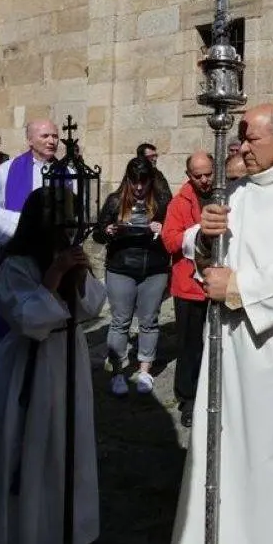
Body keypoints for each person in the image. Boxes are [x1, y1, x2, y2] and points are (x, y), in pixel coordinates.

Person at [170, 104, 273, 544]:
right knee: (228, 452)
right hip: (230, 346)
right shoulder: (240, 192)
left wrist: (238, 287)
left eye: (251, 139)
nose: (242, 147)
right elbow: (208, 253)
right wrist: (205, 237)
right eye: (241, 139)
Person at [0, 188, 107, 544]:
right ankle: (24, 532)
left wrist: (79, 273)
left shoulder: (66, 254)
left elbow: (91, 306)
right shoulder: (16, 264)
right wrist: (55, 273)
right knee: (30, 441)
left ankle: (65, 527)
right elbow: (27, 317)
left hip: (67, 356)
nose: (67, 229)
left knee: (66, 441)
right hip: (32, 362)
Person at [92, 158, 171, 396]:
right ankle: (118, 372)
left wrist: (163, 229)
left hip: (154, 268)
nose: (138, 187)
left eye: (143, 182)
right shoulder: (115, 201)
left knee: (149, 320)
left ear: (150, 180)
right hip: (121, 267)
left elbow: (175, 231)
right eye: (134, 181)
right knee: (120, 321)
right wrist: (108, 230)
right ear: (127, 179)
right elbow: (97, 234)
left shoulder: (162, 201)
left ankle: (145, 370)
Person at [161, 151, 213, 427]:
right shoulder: (179, 203)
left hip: (218, 283)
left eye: (208, 174)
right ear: (189, 176)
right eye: (198, 176)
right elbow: (169, 241)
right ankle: (188, 398)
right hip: (189, 285)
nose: (204, 180)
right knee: (190, 346)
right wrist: (197, 232)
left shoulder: (224, 195)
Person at [0, 119, 60, 248]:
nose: (52, 141)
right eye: (45, 136)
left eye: (55, 136)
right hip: (18, 251)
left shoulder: (69, 173)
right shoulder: (6, 170)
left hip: (57, 251)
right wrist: (24, 222)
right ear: (30, 140)